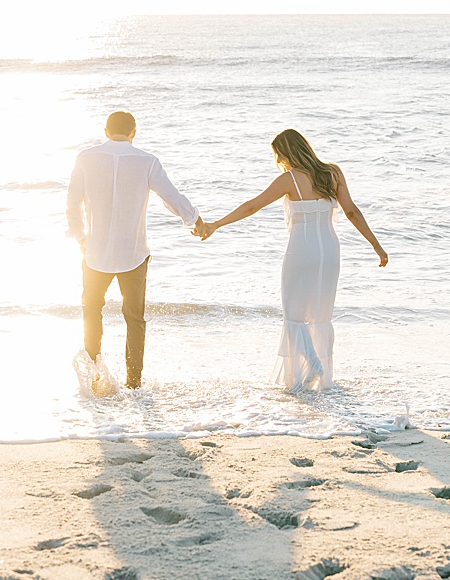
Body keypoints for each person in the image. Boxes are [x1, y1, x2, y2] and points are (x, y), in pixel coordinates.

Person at [194, 127, 386, 391]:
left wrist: (216, 224)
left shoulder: (290, 179)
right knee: (320, 314)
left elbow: (252, 206)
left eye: (278, 156)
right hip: (329, 252)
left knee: (294, 314)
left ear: (286, 153)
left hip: (301, 251)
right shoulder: (333, 173)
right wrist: (377, 246)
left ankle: (312, 367)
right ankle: (317, 372)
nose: (278, 162)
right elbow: (352, 212)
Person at [65, 109, 200, 390]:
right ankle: (134, 384)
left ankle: (93, 379)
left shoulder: (85, 158)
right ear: (133, 132)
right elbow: (171, 196)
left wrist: (80, 237)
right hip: (133, 254)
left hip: (95, 253)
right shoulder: (147, 161)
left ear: (105, 131)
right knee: (135, 319)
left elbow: (72, 202)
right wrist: (194, 221)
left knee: (92, 312)